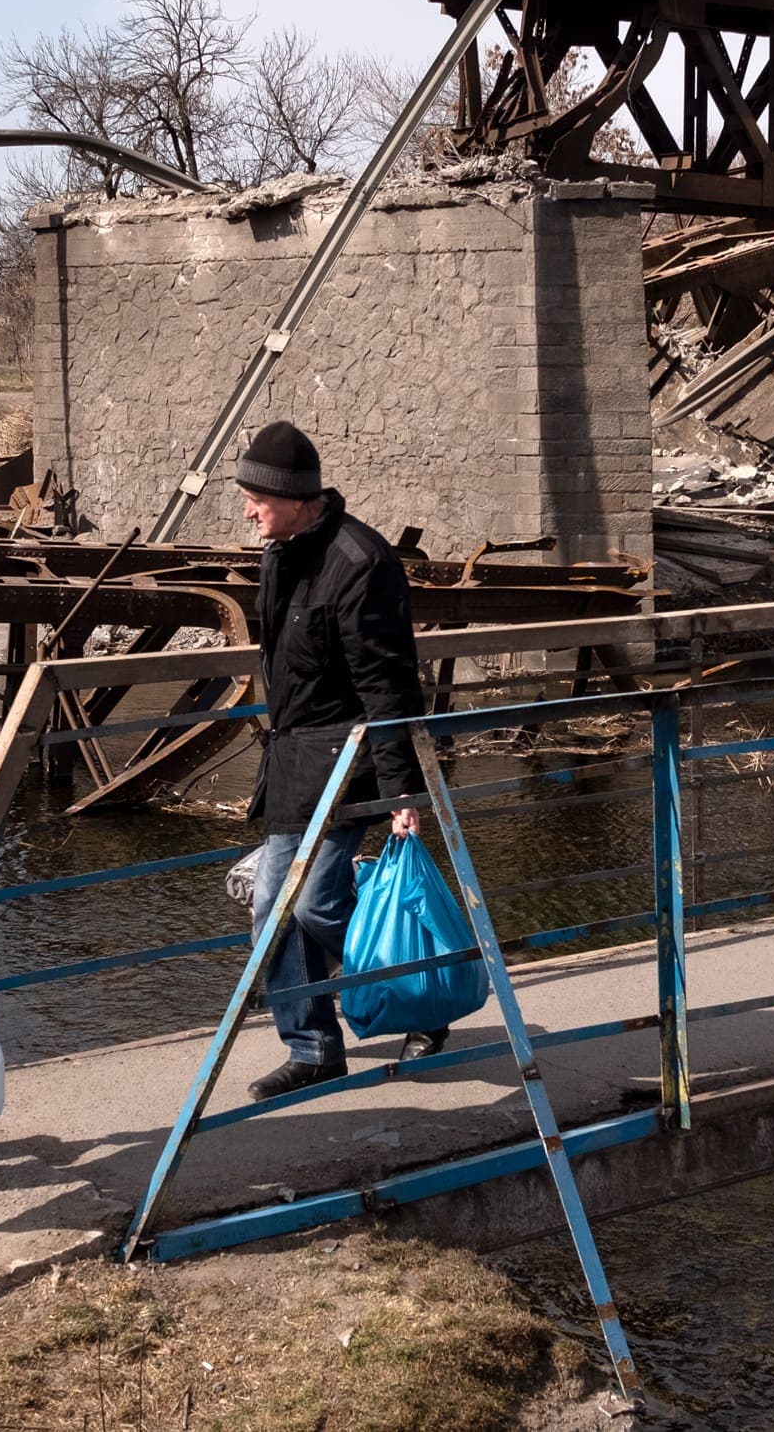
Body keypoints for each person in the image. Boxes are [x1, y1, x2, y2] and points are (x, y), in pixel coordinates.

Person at [235, 420, 429, 1100]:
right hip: (295, 764)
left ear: (293, 496)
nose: (248, 508)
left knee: (316, 904)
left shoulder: (359, 562)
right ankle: (314, 1046)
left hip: (350, 764)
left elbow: (389, 684)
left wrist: (406, 792)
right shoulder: (280, 552)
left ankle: (418, 991)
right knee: (270, 910)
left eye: (256, 495)